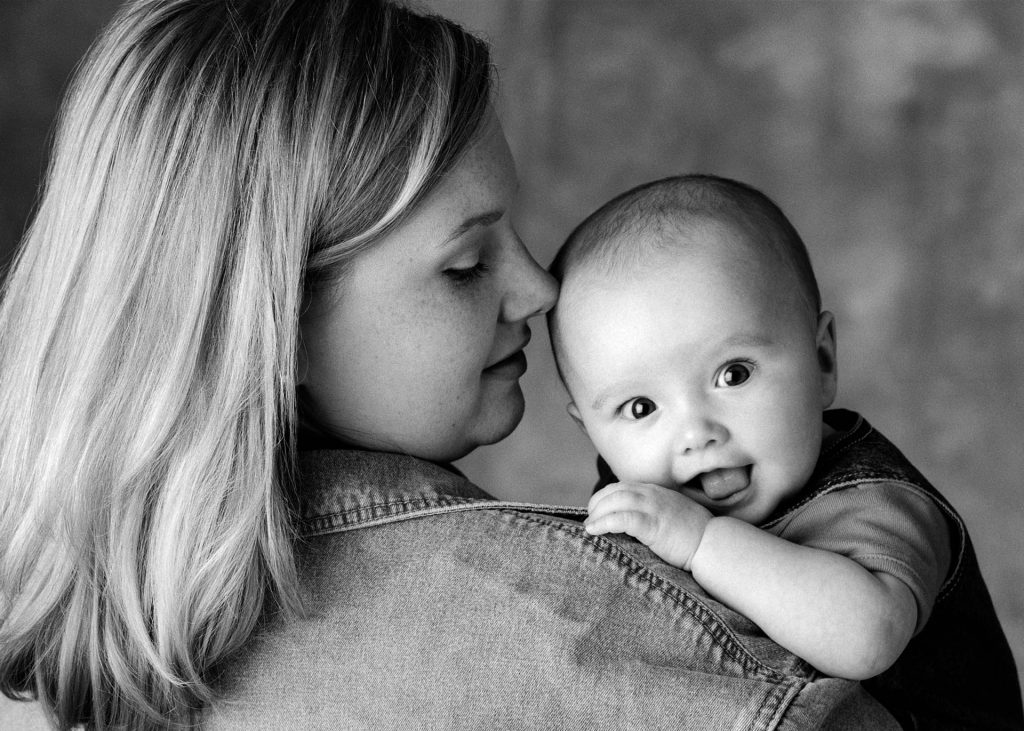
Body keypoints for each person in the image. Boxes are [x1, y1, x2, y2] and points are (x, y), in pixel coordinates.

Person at [0, 1, 905, 728]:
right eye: (467, 264)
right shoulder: (605, 629)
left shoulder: (65, 660)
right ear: (274, 324)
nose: (540, 287)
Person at [547, 173, 1024, 729]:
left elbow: (864, 640)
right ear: (591, 432)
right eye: (640, 409)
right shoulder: (640, 497)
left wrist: (702, 542)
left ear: (821, 362)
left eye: (733, 373)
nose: (696, 432)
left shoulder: (874, 500)